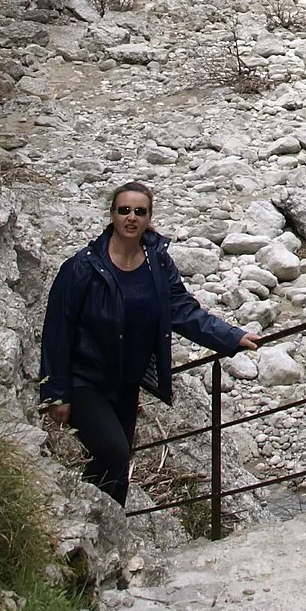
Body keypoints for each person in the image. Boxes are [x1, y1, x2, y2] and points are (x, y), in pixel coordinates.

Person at [39, 181, 260, 504]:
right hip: (85, 380)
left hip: (127, 382)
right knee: (112, 450)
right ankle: (92, 517)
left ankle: (107, 524)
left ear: (148, 218)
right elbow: (58, 330)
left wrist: (231, 337)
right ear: (112, 215)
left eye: (139, 212)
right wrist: (57, 394)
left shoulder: (157, 263)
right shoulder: (82, 268)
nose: (131, 218)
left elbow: (181, 310)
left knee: (118, 457)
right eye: (124, 210)